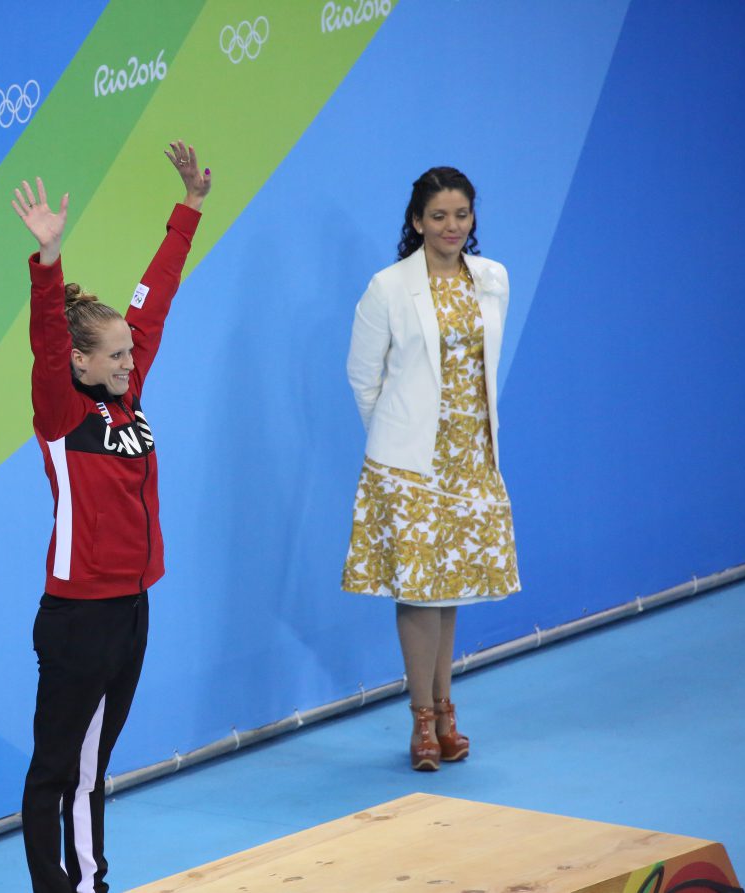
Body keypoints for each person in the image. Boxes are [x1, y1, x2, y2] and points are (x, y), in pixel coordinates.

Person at [10, 141, 210, 893]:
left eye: (132, 352)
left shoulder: (126, 396)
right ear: (82, 363)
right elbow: (46, 338)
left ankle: (89, 882)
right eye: (117, 354)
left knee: (91, 769)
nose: (132, 359)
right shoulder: (62, 412)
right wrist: (49, 260)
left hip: (130, 607)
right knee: (57, 770)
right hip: (79, 615)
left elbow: (153, 301)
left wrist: (186, 212)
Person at [341, 166, 520, 771]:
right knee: (419, 592)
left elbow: (482, 369)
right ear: (416, 221)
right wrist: (399, 437)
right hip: (408, 462)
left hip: (472, 456)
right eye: (439, 216)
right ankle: (422, 721)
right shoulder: (387, 287)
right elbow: (364, 378)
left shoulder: (492, 279)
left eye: (462, 215)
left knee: (450, 590)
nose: (451, 226)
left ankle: (447, 710)